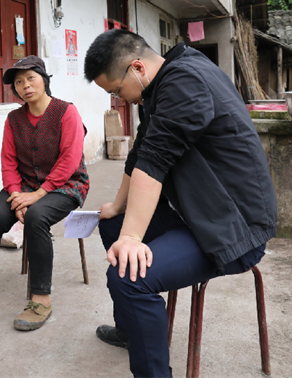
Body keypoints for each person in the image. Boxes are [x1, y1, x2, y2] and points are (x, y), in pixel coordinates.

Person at [83, 30, 277, 378]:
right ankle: (133, 330)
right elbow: (139, 156)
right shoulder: (159, 87)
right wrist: (117, 207)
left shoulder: (185, 82)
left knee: (127, 278)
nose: (120, 99)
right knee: (112, 225)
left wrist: (132, 238)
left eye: (116, 91)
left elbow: (154, 162)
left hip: (232, 228)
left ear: (137, 68)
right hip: (197, 213)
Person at [0, 56, 89, 331]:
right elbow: (8, 162)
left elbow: (69, 160)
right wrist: (16, 196)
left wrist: (38, 195)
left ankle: (41, 299)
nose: (25, 85)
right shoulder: (14, 119)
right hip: (24, 185)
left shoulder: (66, 112)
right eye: (18, 82)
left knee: (37, 217)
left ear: (44, 80)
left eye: (31, 78)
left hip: (66, 184)